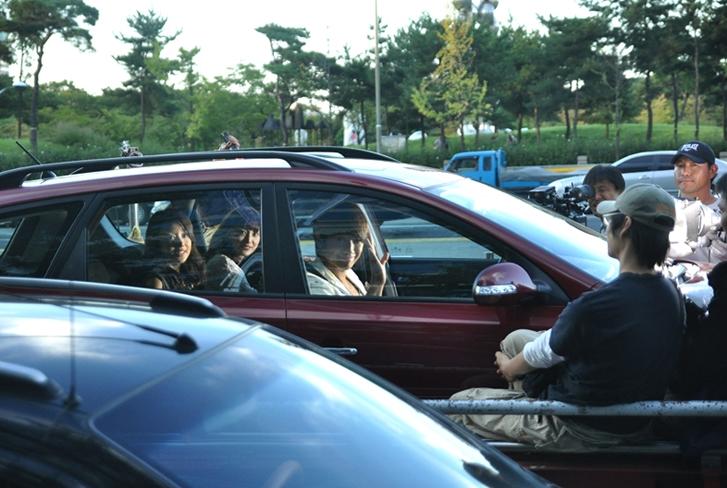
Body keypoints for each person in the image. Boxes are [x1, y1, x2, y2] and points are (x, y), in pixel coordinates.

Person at [449, 184, 684, 449]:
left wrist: (509, 368)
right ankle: (521, 407)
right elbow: (553, 343)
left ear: (625, 225)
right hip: (631, 416)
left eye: (608, 220)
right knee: (516, 340)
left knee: (458, 405)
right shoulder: (669, 293)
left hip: (582, 425)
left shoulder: (598, 304)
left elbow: (546, 351)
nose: (605, 228)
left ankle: (528, 428)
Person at [306, 202, 389, 296]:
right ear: (320, 240)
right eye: (340, 239)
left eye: (356, 240)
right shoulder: (314, 285)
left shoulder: (348, 274)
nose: (350, 248)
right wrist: (377, 283)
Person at [669, 140, 722, 262]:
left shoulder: (723, 211)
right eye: (680, 165)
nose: (685, 172)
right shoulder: (663, 208)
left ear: (712, 170)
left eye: (694, 165)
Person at [141, 209, 206, 291]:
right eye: (170, 237)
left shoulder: (190, 268)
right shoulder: (156, 281)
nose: (181, 243)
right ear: (157, 242)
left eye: (184, 235)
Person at [205, 206, 261, 293]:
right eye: (241, 232)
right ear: (226, 233)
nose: (249, 240)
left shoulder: (234, 261)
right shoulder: (222, 264)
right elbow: (252, 298)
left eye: (255, 233)